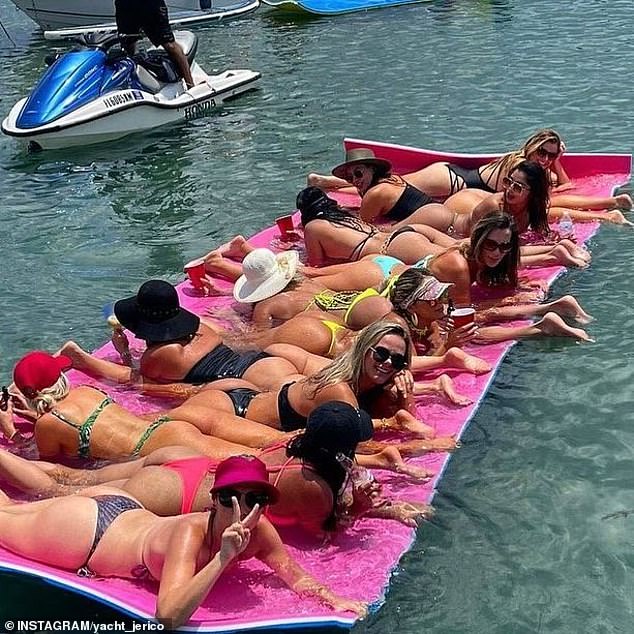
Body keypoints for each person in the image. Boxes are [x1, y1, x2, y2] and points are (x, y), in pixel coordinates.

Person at [0, 454, 366, 628]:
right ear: (214, 500)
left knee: (12, 506)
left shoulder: (261, 531)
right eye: (230, 499)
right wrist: (222, 558)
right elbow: (169, 618)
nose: (243, 509)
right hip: (90, 534)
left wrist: (333, 599)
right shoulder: (189, 533)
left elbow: (290, 572)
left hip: (128, 509)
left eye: (255, 499)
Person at [0, 402, 434, 533]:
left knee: (75, 480)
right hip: (179, 494)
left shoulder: (296, 449)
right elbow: (328, 531)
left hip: (186, 465)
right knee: (57, 494)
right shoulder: (314, 487)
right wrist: (382, 509)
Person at [60, 279, 307, 391]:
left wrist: (124, 352)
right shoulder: (201, 327)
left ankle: (81, 358)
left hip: (255, 383)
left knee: (137, 380)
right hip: (263, 362)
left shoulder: (160, 355)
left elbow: (138, 379)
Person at [308, 130, 633, 210]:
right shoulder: (520, 164)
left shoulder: (532, 165)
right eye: (543, 152)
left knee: (392, 185)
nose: (547, 159)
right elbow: (560, 188)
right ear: (532, 147)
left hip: (456, 177)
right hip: (452, 180)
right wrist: (557, 166)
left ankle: (329, 182)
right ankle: (329, 183)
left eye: (552, 154)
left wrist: (557, 160)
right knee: (387, 187)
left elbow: (560, 183)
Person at [415, 212, 594, 343]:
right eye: (491, 245)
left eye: (504, 246)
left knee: (475, 324)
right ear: (478, 240)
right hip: (420, 301)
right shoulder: (457, 265)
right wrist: (509, 301)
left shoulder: (492, 253)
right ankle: (543, 320)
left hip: (438, 299)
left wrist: (514, 296)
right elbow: (466, 314)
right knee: (468, 331)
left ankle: (547, 319)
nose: (497, 252)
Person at [297, 186, 455, 266]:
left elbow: (316, 264)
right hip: (404, 234)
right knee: (463, 250)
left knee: (455, 261)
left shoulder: (312, 227)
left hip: (391, 249)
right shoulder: (345, 216)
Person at [115, 0, 195, 89]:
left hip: (151, 6)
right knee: (127, 45)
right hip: (125, 5)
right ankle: (130, 82)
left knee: (169, 45)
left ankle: (190, 84)